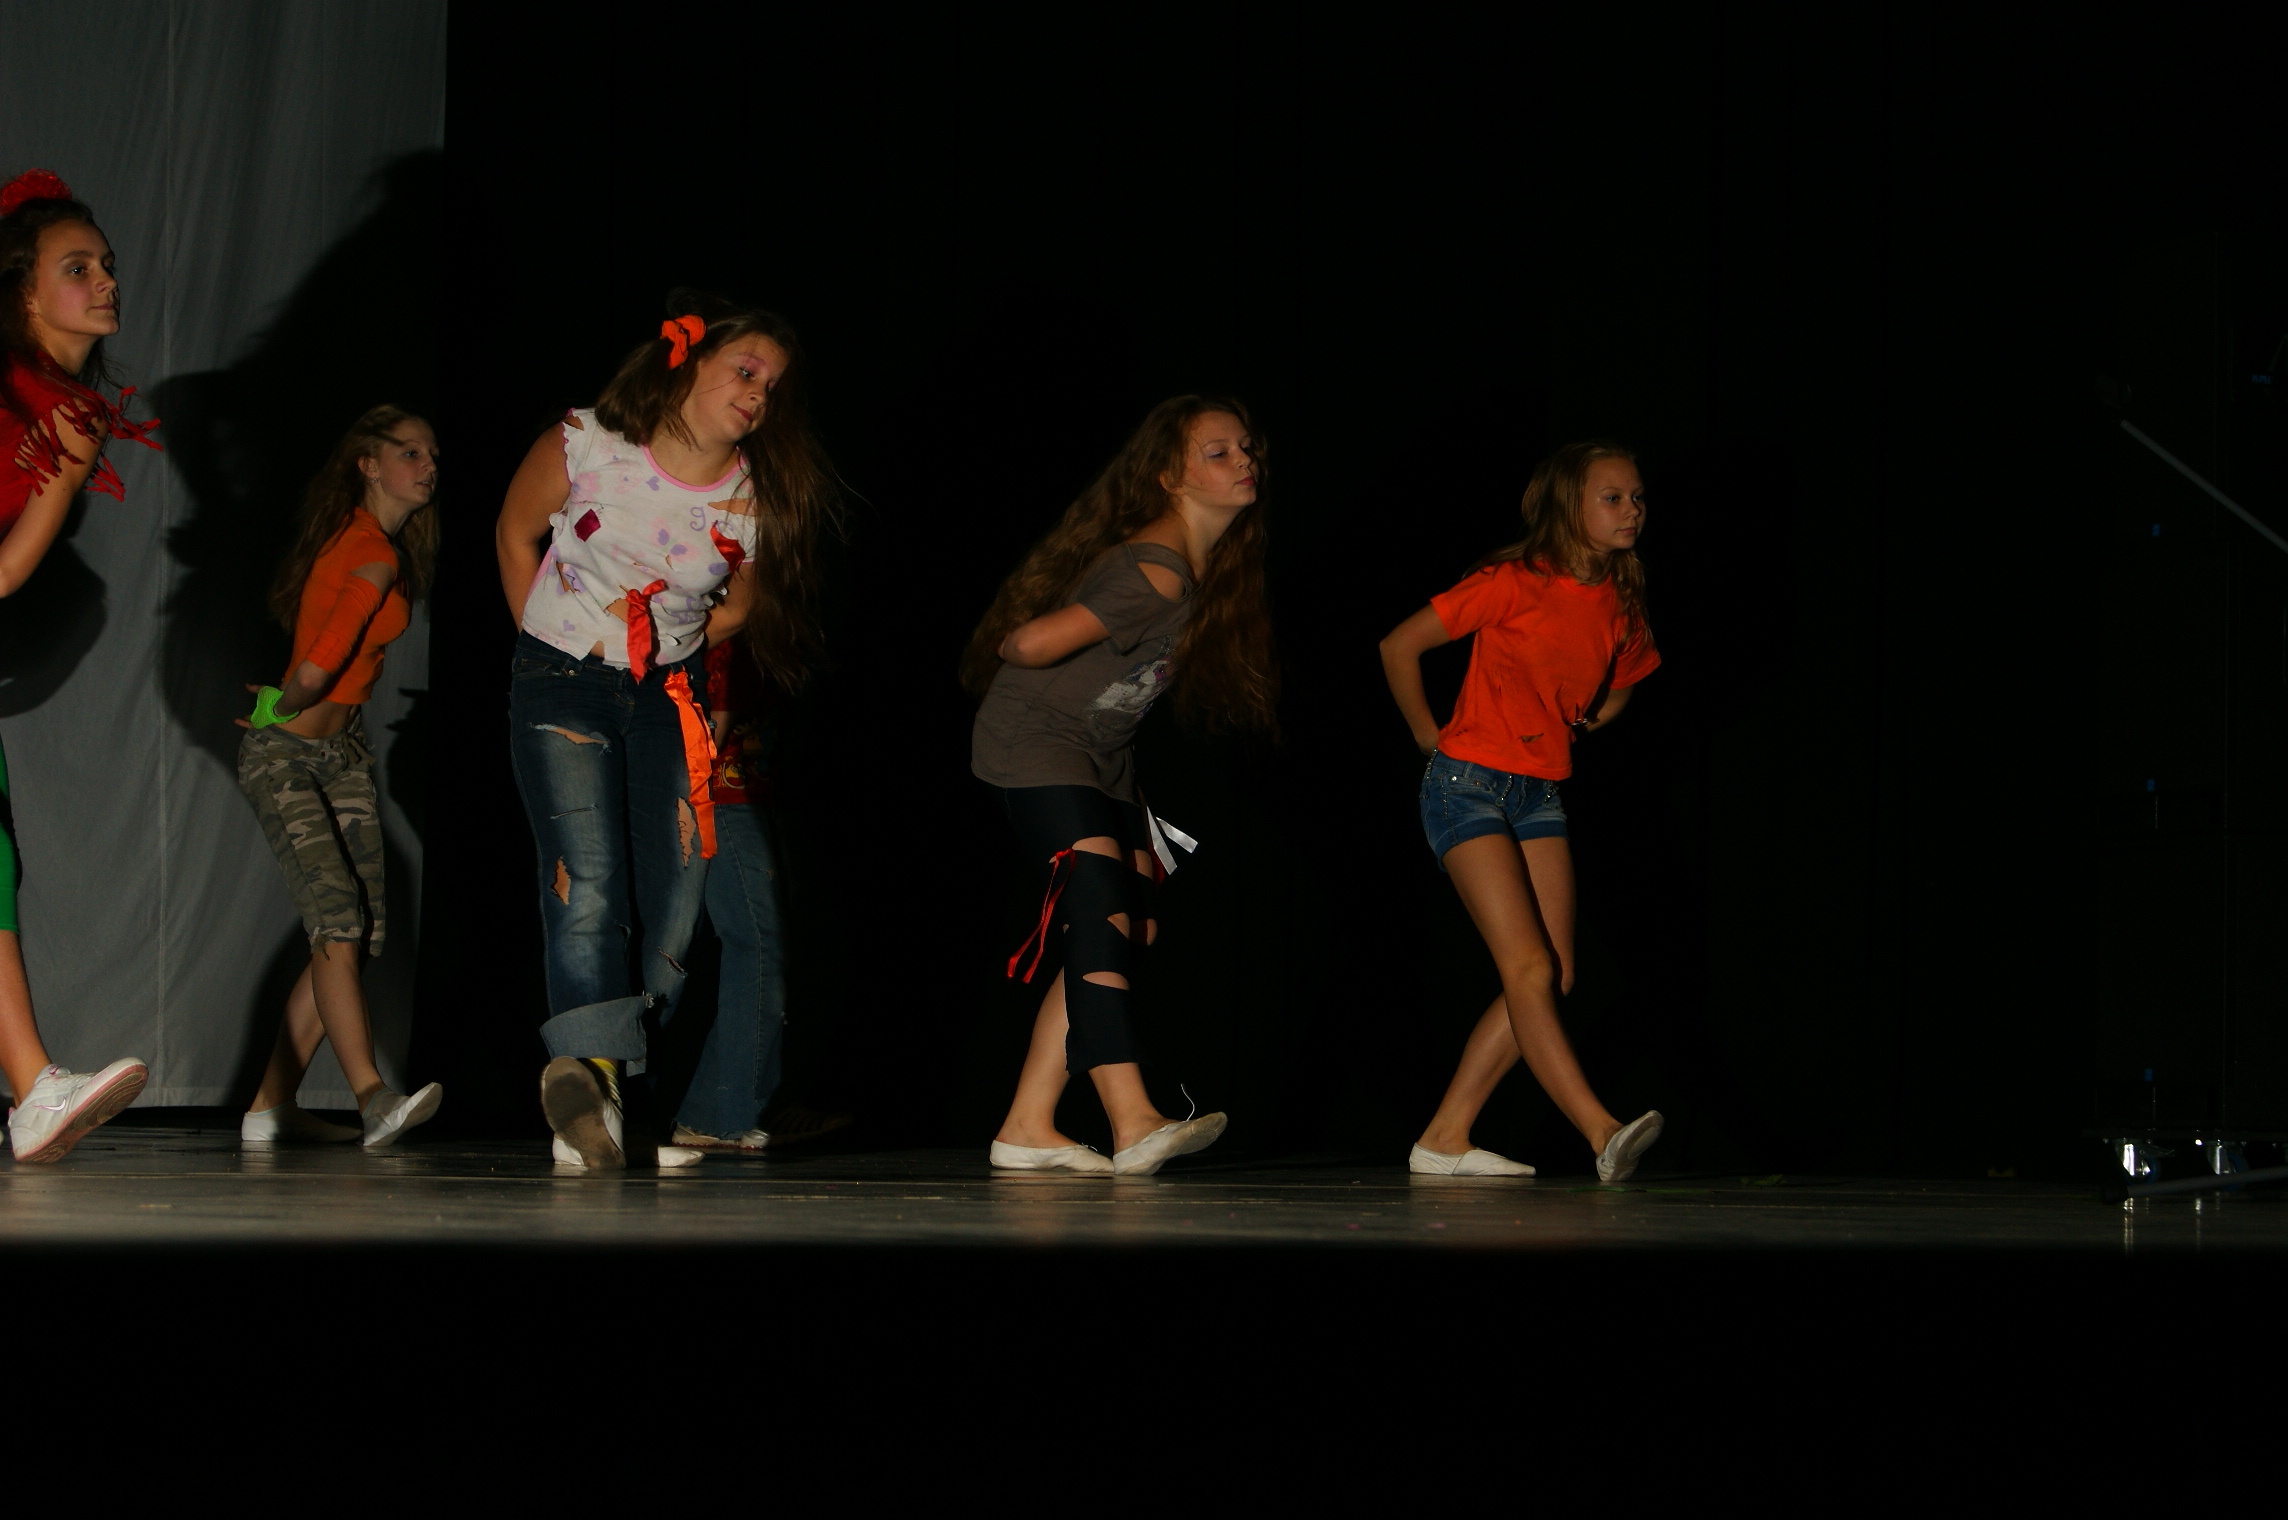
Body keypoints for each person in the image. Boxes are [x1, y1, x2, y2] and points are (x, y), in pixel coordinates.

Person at [495, 290, 836, 1170]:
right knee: (588, 881)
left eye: (773, 387)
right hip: (561, 681)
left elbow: (741, 606)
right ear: (688, 362)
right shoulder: (588, 440)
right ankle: (594, 1080)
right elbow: (515, 532)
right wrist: (549, 643)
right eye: (746, 371)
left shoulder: (750, 494)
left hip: (665, 696)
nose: (758, 395)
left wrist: (671, 645)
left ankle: (606, 1075)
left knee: (678, 910)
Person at [962, 396, 1275, 1176]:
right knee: (1100, 912)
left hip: (1102, 760)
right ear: (1170, 476)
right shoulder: (1157, 572)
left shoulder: (1202, 569)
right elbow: (1027, 645)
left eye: (1246, 447)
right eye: (1218, 452)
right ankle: (1132, 1117)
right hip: (1034, 745)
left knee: (1130, 926)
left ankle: (1027, 1125)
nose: (1244, 460)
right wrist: (1022, 638)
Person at [1379, 440, 1665, 1182]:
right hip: (1466, 783)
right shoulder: (1512, 582)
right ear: (1571, 505)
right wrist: (1427, 734)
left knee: (1554, 974)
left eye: (1637, 497)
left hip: (1539, 793)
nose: (1632, 510)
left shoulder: (1620, 598)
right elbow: (1399, 645)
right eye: (1613, 498)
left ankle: (1444, 1136)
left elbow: (1627, 679)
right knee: (1528, 965)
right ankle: (1601, 1130)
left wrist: (1583, 720)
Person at [0, 169, 158, 1161]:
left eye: (106, 264)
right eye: (76, 267)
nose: (105, 281)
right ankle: (30, 1085)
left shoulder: (69, 414)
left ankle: (32, 1085)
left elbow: (7, 570)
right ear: (23, 293)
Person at [235, 405, 444, 1148]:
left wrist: (291, 702)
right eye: (410, 452)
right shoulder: (371, 553)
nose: (428, 465)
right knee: (339, 923)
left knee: (360, 930)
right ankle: (372, 1097)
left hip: (341, 756)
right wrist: (281, 708)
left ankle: (269, 1107)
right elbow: (321, 664)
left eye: (432, 454)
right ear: (368, 464)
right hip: (290, 757)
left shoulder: (372, 544)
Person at [669, 633, 786, 1152]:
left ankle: (710, 1113)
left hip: (740, 796)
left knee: (746, 944)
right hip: (720, 797)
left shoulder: (751, 634)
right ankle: (721, 1113)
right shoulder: (731, 635)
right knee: (755, 944)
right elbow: (708, 732)